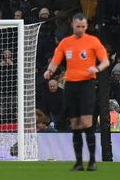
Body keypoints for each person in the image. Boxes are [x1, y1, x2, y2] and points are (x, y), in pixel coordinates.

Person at [43, 13, 110, 171]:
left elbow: (105, 60)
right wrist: (49, 71)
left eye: (83, 26)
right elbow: (56, 59)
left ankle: (92, 161)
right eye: (77, 26)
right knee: (75, 124)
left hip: (87, 84)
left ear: (86, 26)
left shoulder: (93, 41)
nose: (80, 29)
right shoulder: (66, 43)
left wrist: (97, 68)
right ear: (72, 25)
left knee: (87, 122)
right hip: (71, 85)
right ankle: (79, 162)